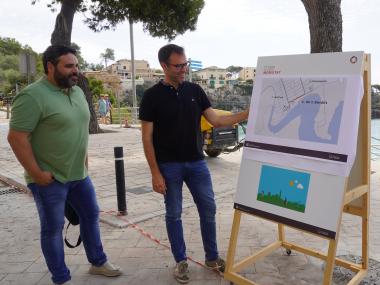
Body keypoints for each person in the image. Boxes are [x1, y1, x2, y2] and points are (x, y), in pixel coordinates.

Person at [7, 45, 122, 285]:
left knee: (91, 215)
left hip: (80, 176)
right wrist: (36, 173)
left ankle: (98, 262)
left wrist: (85, 163)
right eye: (69, 66)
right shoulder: (31, 96)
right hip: (49, 179)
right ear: (50, 67)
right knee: (53, 228)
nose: (76, 71)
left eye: (77, 66)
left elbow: (79, 131)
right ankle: (61, 278)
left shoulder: (77, 92)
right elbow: (16, 138)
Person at [139, 44, 249, 284]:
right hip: (169, 166)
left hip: (197, 164)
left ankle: (212, 257)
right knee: (174, 214)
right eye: (178, 65)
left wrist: (245, 114)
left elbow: (217, 120)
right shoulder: (151, 97)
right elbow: (146, 138)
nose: (183, 69)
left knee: (208, 209)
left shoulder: (195, 90)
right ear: (164, 66)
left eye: (185, 64)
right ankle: (180, 261)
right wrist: (155, 173)